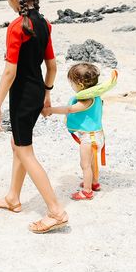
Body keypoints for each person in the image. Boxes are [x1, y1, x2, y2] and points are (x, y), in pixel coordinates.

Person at [0, 0, 68, 234]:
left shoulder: (17, 27)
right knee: (18, 144)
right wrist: (46, 93)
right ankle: (13, 198)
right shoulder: (43, 23)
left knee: (25, 151)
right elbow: (51, 66)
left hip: (21, 98)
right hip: (35, 94)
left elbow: (10, 71)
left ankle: (56, 211)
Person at [42, 63, 106, 200]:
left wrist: (51, 110)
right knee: (92, 161)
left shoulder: (87, 100)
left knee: (85, 164)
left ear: (80, 84)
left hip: (89, 137)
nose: (72, 86)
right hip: (97, 134)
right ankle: (94, 183)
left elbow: (70, 109)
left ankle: (87, 191)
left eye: (72, 84)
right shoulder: (96, 96)